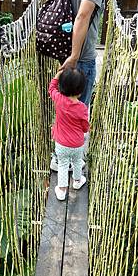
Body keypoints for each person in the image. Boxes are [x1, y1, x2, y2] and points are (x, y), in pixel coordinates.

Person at [50, 0, 124, 172]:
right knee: (78, 109)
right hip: (80, 56)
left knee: (64, 107)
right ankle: (70, 162)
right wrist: (74, 56)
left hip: (66, 46)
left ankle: (59, 156)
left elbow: (76, 0)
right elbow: (82, 16)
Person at [48, 67, 89, 201]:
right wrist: (84, 130)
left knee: (63, 164)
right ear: (81, 90)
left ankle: (61, 190)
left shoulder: (59, 99)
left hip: (61, 143)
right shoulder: (82, 107)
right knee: (77, 162)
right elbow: (84, 126)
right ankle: (77, 182)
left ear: (62, 87)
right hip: (77, 144)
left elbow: (51, 89)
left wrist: (57, 75)